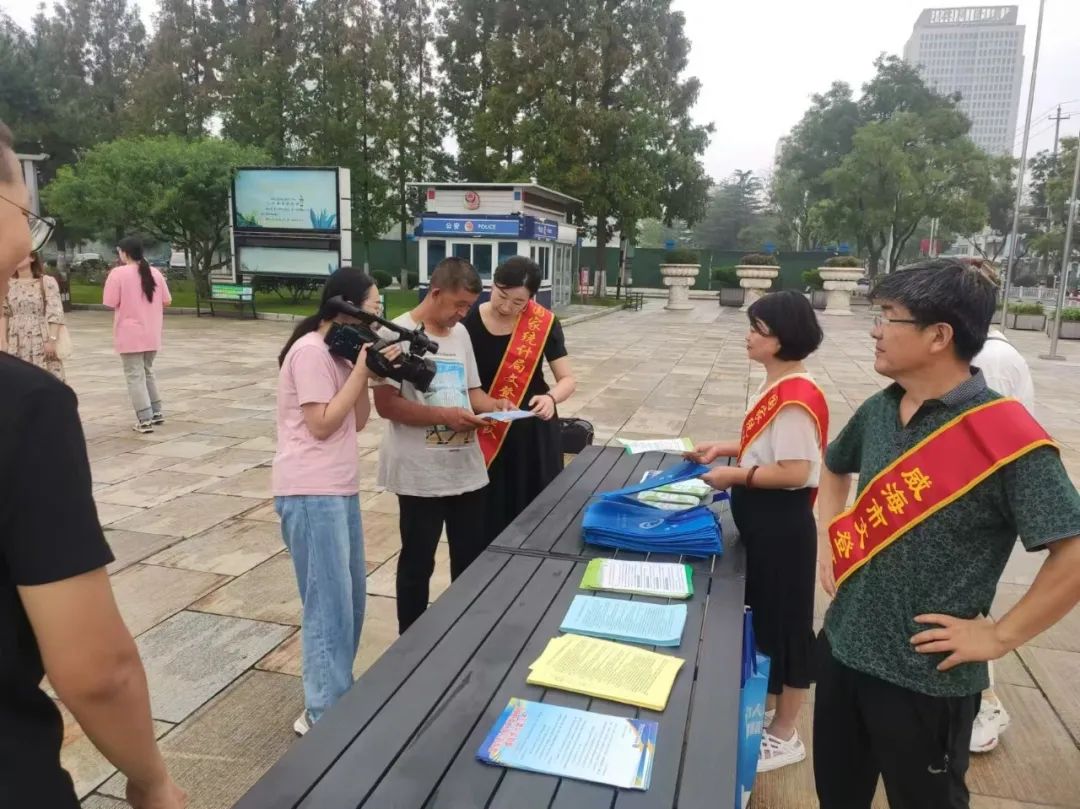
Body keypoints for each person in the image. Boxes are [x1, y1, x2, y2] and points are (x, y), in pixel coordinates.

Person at [815, 259, 1080, 809]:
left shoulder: (1005, 434)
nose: (875, 330)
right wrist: (828, 540)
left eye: (889, 316)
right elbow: (835, 465)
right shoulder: (881, 407)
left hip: (925, 679)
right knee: (837, 795)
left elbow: (1073, 551)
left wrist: (1000, 637)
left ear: (939, 336)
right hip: (843, 650)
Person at [0, 121, 186, 808]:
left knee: (136, 377)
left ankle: (147, 413)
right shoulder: (24, 408)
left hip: (127, 336)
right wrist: (152, 779)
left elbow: (109, 304)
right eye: (26, 214)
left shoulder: (114, 276)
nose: (31, 238)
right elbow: (95, 668)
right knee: (147, 378)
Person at [688, 290, 828, 772]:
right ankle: (765, 711)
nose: (748, 336)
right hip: (765, 522)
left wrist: (733, 475)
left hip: (782, 526)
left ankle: (786, 733)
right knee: (766, 618)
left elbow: (795, 470)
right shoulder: (780, 384)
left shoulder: (795, 398)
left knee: (787, 627)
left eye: (758, 329)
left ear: (781, 339)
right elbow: (764, 447)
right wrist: (723, 447)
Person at [273, 268, 398, 737]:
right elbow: (322, 424)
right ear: (346, 307)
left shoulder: (338, 353)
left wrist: (368, 372)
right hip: (310, 490)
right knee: (327, 604)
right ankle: (323, 714)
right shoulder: (309, 352)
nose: (379, 316)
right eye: (374, 307)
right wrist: (360, 370)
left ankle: (336, 695)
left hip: (338, 488)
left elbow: (358, 420)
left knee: (349, 600)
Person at [373, 257, 510, 634]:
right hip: (421, 475)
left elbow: (472, 393)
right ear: (435, 293)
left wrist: (496, 406)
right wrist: (444, 416)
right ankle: (411, 643)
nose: (463, 314)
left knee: (470, 560)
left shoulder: (460, 334)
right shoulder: (395, 332)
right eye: (458, 305)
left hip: (465, 470)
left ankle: (461, 637)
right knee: (418, 563)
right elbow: (386, 405)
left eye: (469, 306)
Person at [463, 256, 577, 544]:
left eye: (518, 302)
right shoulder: (467, 321)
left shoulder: (543, 323)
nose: (506, 307)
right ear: (492, 285)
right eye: (502, 296)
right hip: (484, 429)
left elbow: (567, 380)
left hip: (531, 431)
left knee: (536, 517)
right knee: (483, 519)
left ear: (531, 299)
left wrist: (551, 398)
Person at [965, 324, 1036, 753]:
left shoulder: (989, 359)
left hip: (978, 500)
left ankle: (985, 704)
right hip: (976, 495)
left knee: (967, 609)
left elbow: (986, 435)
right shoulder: (992, 352)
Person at [102, 237, 171, 433]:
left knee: (135, 376)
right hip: (151, 332)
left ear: (125, 253)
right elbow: (167, 301)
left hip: (130, 333)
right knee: (147, 371)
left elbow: (109, 301)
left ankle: (144, 418)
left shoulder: (118, 273)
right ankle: (156, 412)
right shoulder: (155, 273)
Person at [1, 252, 66, 380]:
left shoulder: (46, 282)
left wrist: (52, 340)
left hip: (40, 336)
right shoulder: (7, 283)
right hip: (15, 338)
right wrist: (3, 340)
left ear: (32, 257)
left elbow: (55, 312)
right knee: (18, 378)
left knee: (45, 377)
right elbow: (4, 313)